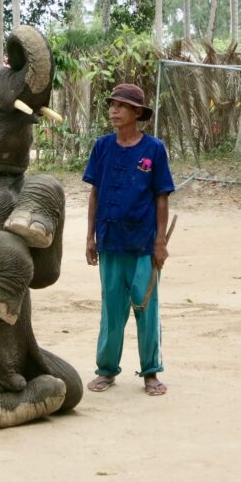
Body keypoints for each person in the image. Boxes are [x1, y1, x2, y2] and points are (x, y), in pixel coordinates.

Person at [83, 83, 175, 396]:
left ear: (137, 113)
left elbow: (161, 197)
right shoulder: (102, 147)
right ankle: (106, 370)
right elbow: (95, 193)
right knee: (111, 309)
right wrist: (90, 238)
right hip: (109, 241)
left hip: (143, 245)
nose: (114, 111)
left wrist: (160, 242)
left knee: (146, 307)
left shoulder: (154, 149)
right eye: (112, 105)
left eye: (121, 106)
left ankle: (151, 372)